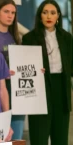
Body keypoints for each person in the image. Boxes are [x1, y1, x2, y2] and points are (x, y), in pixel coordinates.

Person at [22, 1, 72, 145]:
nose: (49, 16)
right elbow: (25, 67)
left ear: (58, 16)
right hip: (39, 90)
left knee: (61, 139)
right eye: (45, 12)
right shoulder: (29, 38)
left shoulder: (67, 37)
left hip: (61, 90)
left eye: (52, 12)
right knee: (39, 138)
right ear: (40, 16)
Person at [0, 0, 24, 140]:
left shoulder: (15, 36)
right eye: (6, 11)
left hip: (17, 91)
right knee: (0, 138)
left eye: (13, 13)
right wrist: (2, 72)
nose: (10, 15)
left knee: (16, 137)